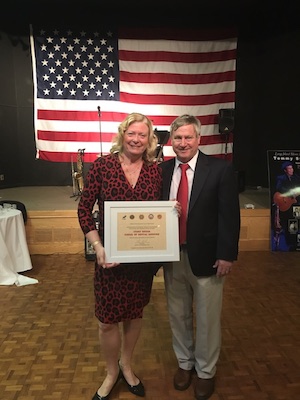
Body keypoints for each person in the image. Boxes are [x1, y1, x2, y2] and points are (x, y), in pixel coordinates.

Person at [78, 112, 163, 400]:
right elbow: (83, 209)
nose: (137, 139)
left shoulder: (156, 171)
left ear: (149, 139)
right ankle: (111, 372)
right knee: (106, 321)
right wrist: (98, 247)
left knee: (134, 314)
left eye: (143, 135)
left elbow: (160, 213)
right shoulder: (102, 166)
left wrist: (170, 212)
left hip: (140, 261)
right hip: (109, 260)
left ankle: (127, 365)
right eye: (132, 133)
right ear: (123, 134)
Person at [160, 114, 240, 400]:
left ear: (199, 139)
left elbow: (229, 217)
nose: (183, 143)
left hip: (208, 258)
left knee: (207, 319)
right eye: (178, 138)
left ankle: (206, 371)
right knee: (177, 314)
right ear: (171, 141)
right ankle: (185, 363)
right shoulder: (162, 171)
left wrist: (226, 255)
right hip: (172, 256)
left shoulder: (219, 170)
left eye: (188, 137)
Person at [273, 161, 300, 251]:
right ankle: (284, 242)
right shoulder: (281, 178)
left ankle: (293, 243)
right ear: (285, 170)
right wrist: (290, 193)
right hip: (284, 202)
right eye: (289, 168)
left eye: (292, 168)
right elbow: (279, 188)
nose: (291, 170)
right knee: (285, 222)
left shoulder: (296, 178)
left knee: (294, 223)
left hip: (295, 204)